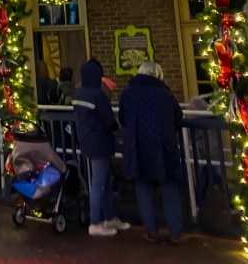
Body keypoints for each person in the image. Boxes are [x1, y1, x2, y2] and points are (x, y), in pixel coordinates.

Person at [118, 61, 184, 243]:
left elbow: (122, 117)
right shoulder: (165, 93)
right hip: (163, 144)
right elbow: (178, 118)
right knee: (169, 186)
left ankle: (151, 230)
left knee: (143, 187)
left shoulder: (128, 92)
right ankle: (176, 231)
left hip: (137, 144)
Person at [72, 59, 129, 237]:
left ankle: (108, 216)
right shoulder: (98, 96)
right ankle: (96, 221)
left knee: (105, 179)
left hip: (86, 140)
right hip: (101, 142)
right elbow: (109, 121)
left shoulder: (78, 94)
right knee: (99, 182)